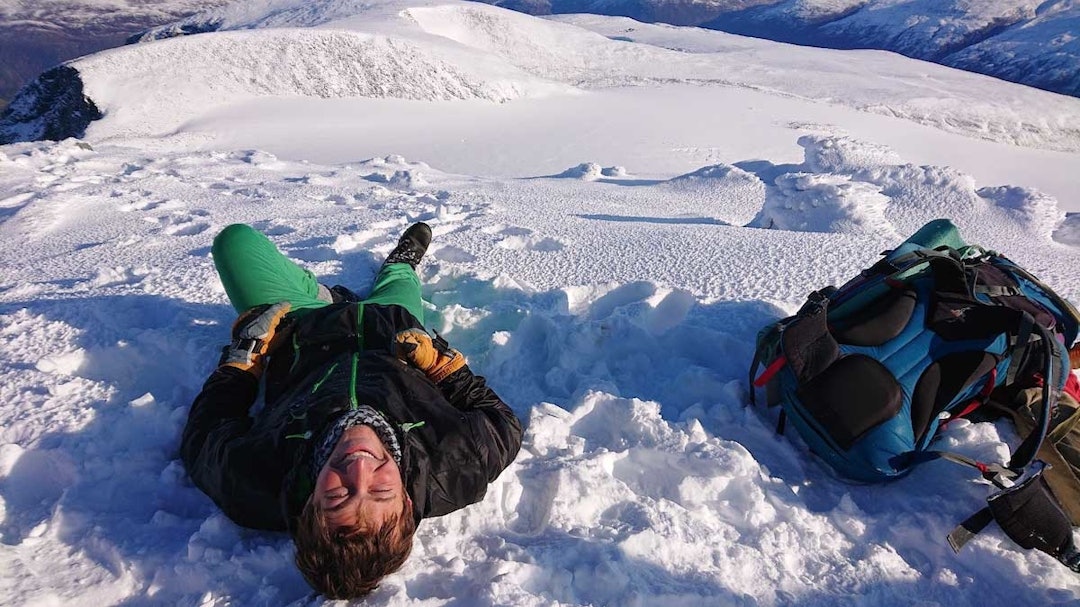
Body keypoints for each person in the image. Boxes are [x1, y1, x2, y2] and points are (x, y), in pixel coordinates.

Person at [181, 222, 523, 598]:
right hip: (391, 324)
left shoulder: (250, 480)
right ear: (407, 501)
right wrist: (445, 368)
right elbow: (502, 422)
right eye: (379, 492)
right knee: (400, 279)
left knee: (234, 243)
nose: (359, 469)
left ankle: (326, 297)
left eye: (339, 496)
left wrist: (243, 358)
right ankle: (400, 263)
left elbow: (204, 432)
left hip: (302, 326)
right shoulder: (454, 466)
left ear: (309, 502)